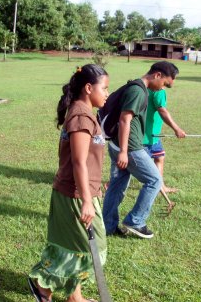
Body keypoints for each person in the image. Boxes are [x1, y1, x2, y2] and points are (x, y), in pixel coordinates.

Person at [28, 64, 109, 302]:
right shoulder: (81, 117)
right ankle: (41, 284)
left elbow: (86, 160)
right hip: (75, 194)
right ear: (88, 88)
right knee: (90, 249)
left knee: (73, 248)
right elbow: (78, 162)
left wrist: (95, 184)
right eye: (104, 88)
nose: (106, 93)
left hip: (80, 190)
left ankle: (75, 297)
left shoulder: (81, 111)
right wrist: (86, 200)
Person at [102, 61, 177, 239]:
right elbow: (124, 120)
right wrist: (123, 151)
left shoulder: (137, 86)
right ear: (157, 75)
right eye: (165, 84)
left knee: (116, 186)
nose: (162, 88)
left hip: (118, 144)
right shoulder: (138, 90)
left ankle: (107, 226)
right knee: (154, 180)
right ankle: (135, 221)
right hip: (129, 148)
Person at [143, 78, 186, 196]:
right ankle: (111, 185)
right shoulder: (159, 91)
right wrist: (177, 129)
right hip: (145, 137)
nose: (173, 81)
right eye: (172, 78)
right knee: (133, 166)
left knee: (159, 157)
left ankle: (161, 186)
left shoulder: (144, 87)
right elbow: (162, 111)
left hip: (153, 136)